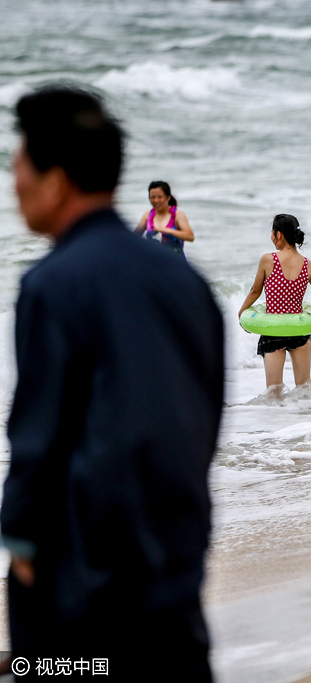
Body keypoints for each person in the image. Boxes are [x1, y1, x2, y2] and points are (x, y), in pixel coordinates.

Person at [3, 85, 223, 679]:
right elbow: (202, 415)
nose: (13, 181)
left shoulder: (52, 284)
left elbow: (39, 436)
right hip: (175, 553)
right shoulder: (188, 285)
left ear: (56, 180)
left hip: (84, 574)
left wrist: (22, 549)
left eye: (18, 165)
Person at [237, 213, 311, 395]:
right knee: (305, 389)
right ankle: (308, 421)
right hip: (299, 331)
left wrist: (242, 313)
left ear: (279, 234)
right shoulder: (309, 265)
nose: (271, 238)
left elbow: (255, 290)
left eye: (272, 233)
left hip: (273, 331)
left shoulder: (268, 260)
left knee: (274, 392)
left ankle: (278, 422)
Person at [133, 180, 194, 259]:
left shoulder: (177, 215)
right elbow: (135, 237)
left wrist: (169, 231)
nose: (156, 200)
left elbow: (190, 236)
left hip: (175, 264)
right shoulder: (148, 215)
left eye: (160, 197)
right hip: (154, 263)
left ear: (168, 197)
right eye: (153, 197)